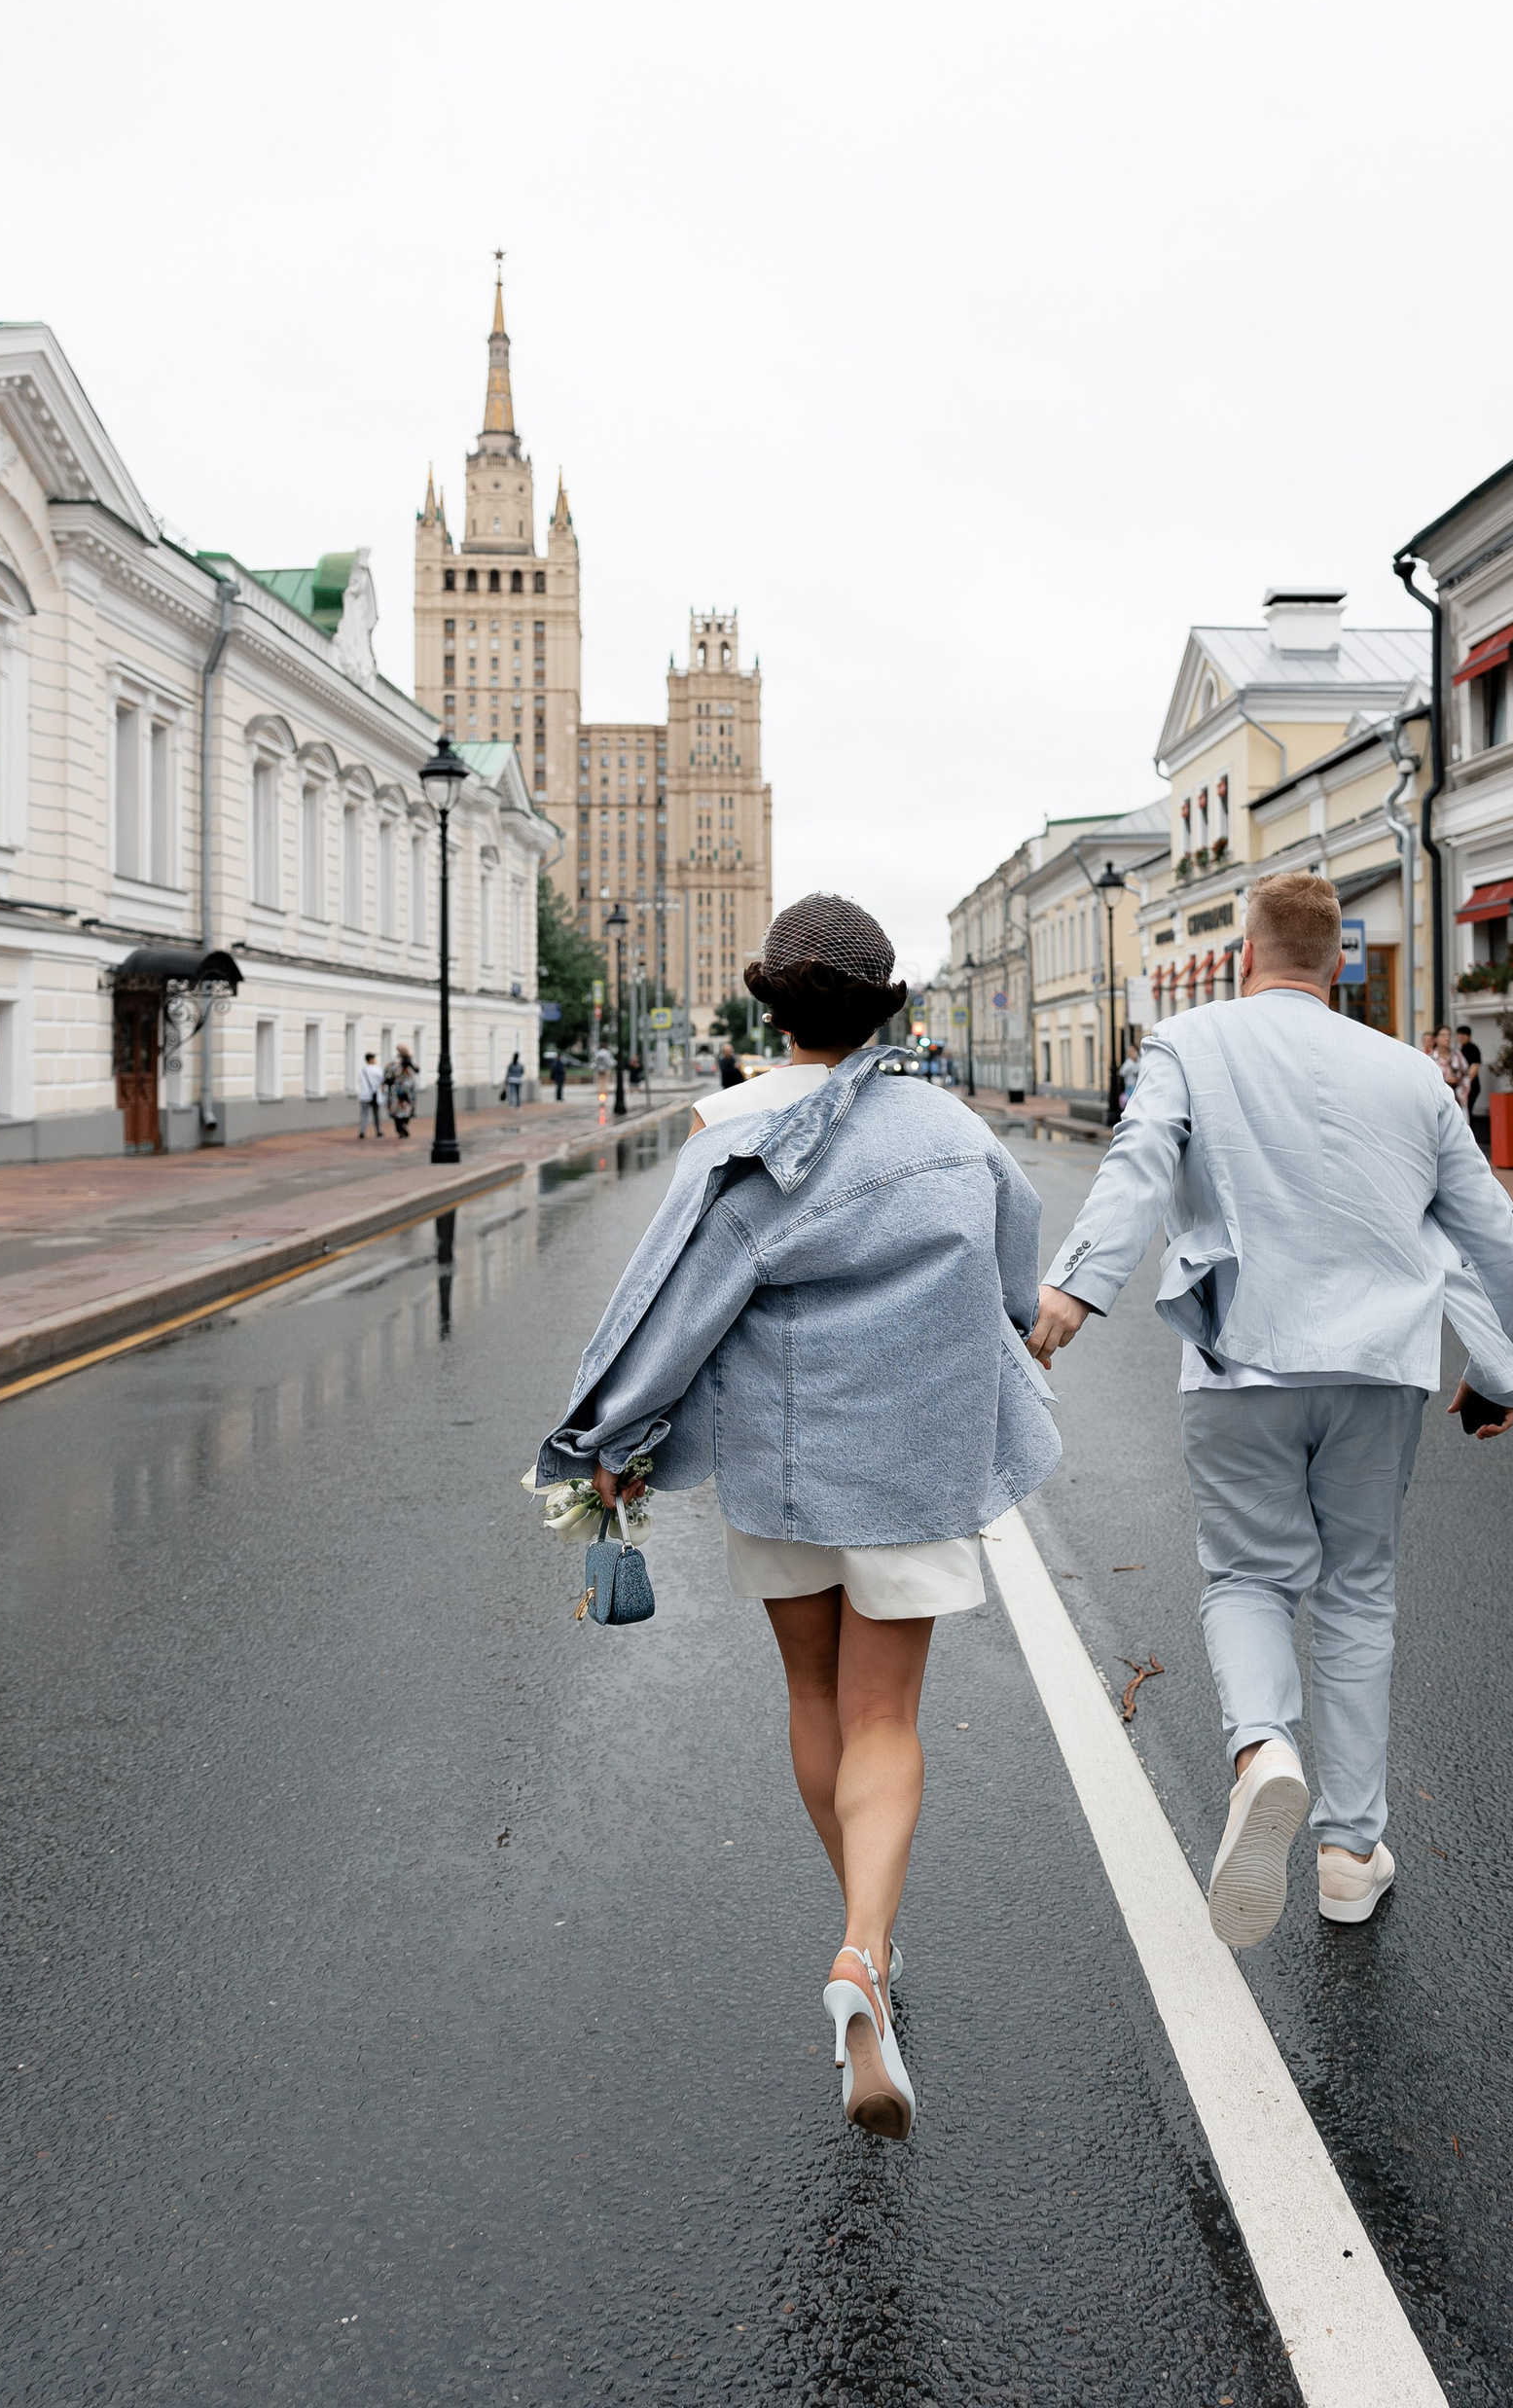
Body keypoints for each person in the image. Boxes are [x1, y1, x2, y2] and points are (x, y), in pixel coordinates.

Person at [534, 895, 1060, 2141]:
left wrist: (609, 1440)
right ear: (886, 1011)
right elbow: (1015, 1276)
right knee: (887, 1717)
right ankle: (863, 1949)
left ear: (771, 1007)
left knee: (816, 1700)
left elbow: (673, 1310)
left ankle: (865, 1940)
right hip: (915, 1466)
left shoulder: (734, 1136)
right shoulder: (954, 1131)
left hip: (781, 1469)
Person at [1027, 871, 1513, 1947]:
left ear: (1243, 956)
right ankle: (1349, 1855)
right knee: (1357, 1595)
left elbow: (1139, 1162)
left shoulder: (1188, 1043)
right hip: (1381, 1369)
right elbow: (1489, 1227)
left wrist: (1073, 1290)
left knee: (1249, 1576)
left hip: (1242, 1363)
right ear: (1340, 964)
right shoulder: (1413, 1074)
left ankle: (1262, 1750)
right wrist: (1501, 1370)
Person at [386, 1044, 419, 1138]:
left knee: (408, 1110)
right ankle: (400, 1129)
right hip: (397, 1090)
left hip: (408, 1090)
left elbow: (417, 1069)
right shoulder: (395, 1061)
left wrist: (410, 1063)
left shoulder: (410, 1060)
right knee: (397, 1111)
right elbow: (389, 1074)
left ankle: (403, 1126)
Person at [356, 1051, 386, 1139]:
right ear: (371, 1059)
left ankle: (362, 1131)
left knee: (364, 1114)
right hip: (374, 1095)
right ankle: (378, 1131)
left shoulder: (362, 1070)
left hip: (364, 1095)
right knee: (376, 1114)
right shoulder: (377, 1069)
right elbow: (382, 1080)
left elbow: (360, 1080)